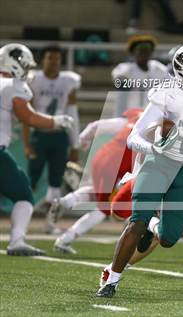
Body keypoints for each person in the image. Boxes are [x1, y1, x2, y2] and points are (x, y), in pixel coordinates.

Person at [95, 43, 183, 298]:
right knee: (137, 223)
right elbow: (133, 137)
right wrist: (153, 149)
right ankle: (111, 279)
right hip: (159, 164)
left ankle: (154, 225)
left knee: (169, 239)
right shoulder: (168, 94)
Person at [0, 43, 73, 255]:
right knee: (23, 194)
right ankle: (16, 241)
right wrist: (56, 121)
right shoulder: (12, 85)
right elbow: (29, 117)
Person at [51, 108, 143, 254]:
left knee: (100, 192)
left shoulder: (135, 117)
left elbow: (96, 125)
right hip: (119, 163)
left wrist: (82, 141)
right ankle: (65, 239)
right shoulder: (160, 125)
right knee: (105, 207)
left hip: (103, 155)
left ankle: (66, 201)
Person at [22, 45, 81, 234]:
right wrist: (26, 143)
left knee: (56, 183)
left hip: (59, 136)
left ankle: (50, 224)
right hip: (39, 135)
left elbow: (72, 112)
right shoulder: (33, 80)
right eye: (50, 58)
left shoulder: (68, 81)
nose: (54, 62)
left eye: (57, 59)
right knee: (31, 180)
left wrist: (75, 143)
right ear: (42, 60)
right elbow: (26, 114)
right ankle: (21, 223)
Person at [111, 35, 169, 117]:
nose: (144, 53)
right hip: (129, 115)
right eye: (140, 50)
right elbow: (120, 84)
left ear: (151, 52)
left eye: (146, 50)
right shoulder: (125, 69)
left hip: (153, 115)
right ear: (133, 52)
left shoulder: (158, 68)